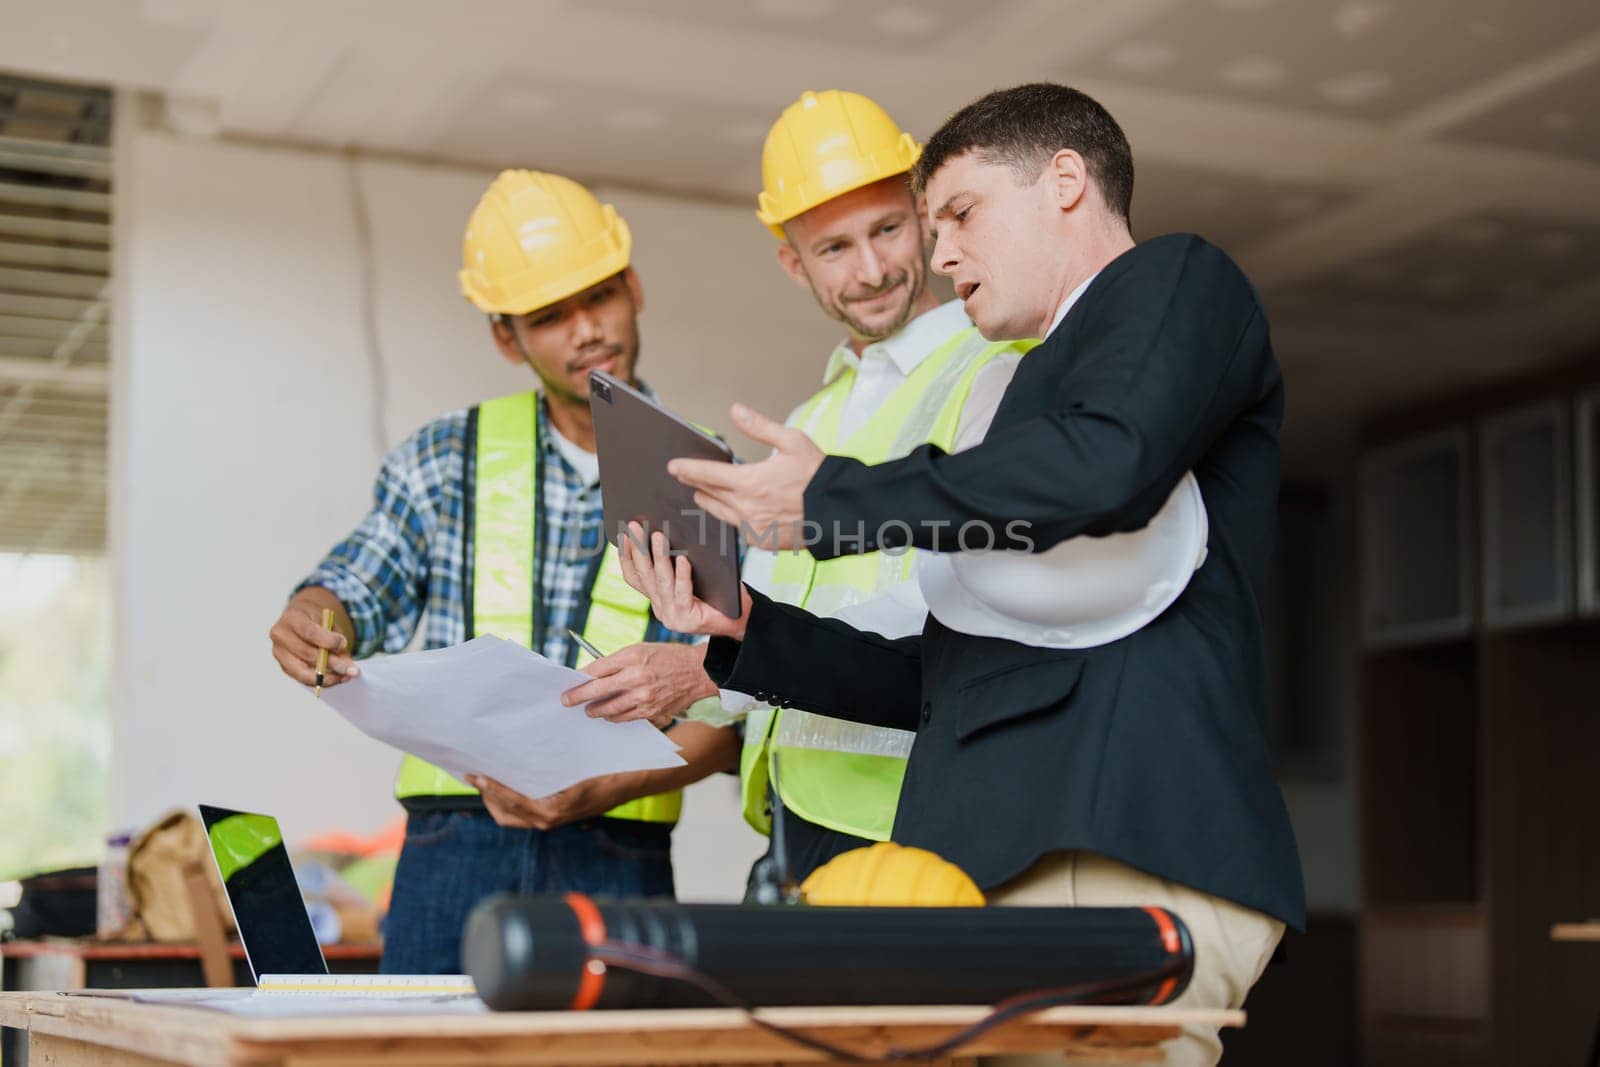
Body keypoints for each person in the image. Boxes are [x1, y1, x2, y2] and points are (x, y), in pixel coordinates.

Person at [628, 83, 1305, 1067]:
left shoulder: (1174, 280)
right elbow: (944, 679)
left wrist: (829, 502)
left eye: (958, 212)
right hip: (991, 872)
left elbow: (1103, 464)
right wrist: (746, 631)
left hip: (1106, 846)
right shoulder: (1016, 396)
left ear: (1065, 181)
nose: (938, 255)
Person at [267, 170, 738, 974]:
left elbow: (732, 712)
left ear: (633, 285)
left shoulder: (708, 480)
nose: (586, 329)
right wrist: (317, 617)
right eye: (549, 315)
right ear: (506, 336)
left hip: (619, 849)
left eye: (598, 295)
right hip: (452, 852)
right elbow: (352, 589)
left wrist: (601, 785)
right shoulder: (445, 459)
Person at [562, 89, 1033, 890]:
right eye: (835, 248)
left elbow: (968, 610)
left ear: (925, 217)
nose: (873, 268)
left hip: (917, 814)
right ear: (794, 263)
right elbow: (765, 622)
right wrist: (689, 655)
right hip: (801, 819)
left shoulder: (995, 370)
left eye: (887, 229)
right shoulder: (815, 414)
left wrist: (714, 668)